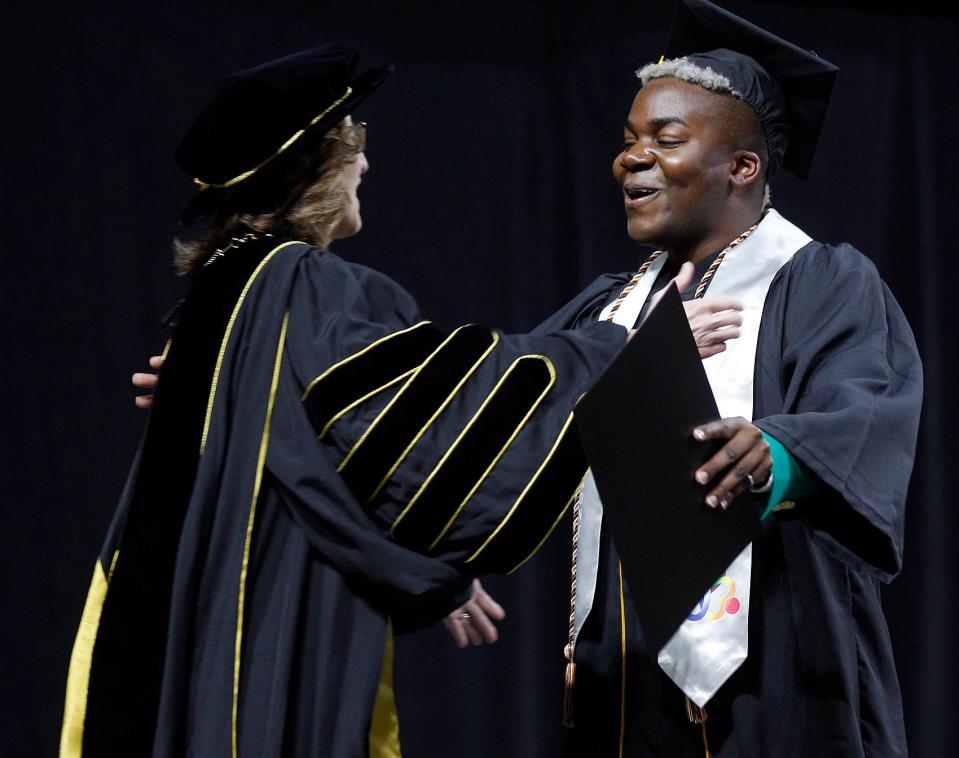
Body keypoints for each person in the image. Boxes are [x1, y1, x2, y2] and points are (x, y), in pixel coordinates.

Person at [62, 44, 741, 758]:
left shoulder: (219, 297)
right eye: (350, 150)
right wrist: (626, 353)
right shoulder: (305, 283)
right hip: (263, 627)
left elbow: (301, 470)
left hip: (183, 634)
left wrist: (419, 580)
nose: (363, 166)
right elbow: (414, 420)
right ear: (314, 169)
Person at [547, 1, 922, 756]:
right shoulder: (605, 308)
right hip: (621, 656)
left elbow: (865, 411)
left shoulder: (821, 281)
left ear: (742, 166)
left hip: (775, 640)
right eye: (627, 141)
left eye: (666, 139)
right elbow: (526, 418)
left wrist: (775, 450)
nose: (631, 157)